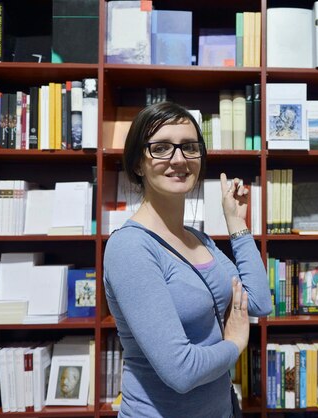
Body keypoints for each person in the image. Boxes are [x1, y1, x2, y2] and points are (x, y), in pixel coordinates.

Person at [104, 101, 272, 417]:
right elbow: (182, 372)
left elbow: (260, 302)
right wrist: (234, 344)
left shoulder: (199, 238)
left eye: (189, 147)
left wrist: (236, 222)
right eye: (162, 148)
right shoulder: (129, 248)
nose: (178, 159)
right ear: (139, 164)